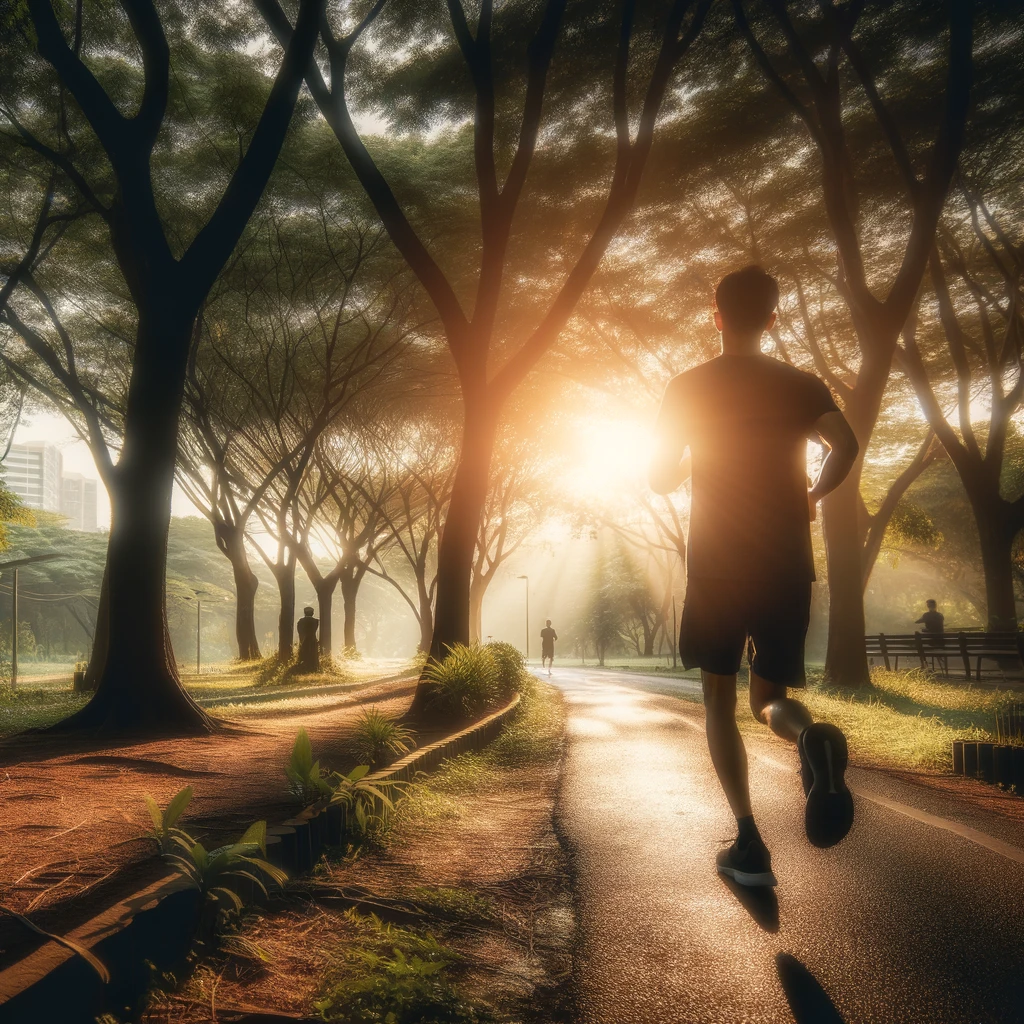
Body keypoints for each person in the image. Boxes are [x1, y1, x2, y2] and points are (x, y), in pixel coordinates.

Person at [649, 265, 860, 888]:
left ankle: (747, 840)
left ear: (716, 316)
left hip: (717, 561)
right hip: (785, 561)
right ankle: (809, 738)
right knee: (769, 699)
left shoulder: (686, 387)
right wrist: (814, 494)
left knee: (718, 696)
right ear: (772, 319)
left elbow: (660, 477)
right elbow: (845, 445)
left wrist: (696, 453)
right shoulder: (802, 385)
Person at [296, 606, 320, 673]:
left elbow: (299, 631)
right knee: (313, 655)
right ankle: (314, 669)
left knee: (304, 655)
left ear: (304, 613)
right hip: (313, 640)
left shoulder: (301, 621)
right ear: (312, 613)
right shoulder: (316, 621)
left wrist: (301, 639)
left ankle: (303, 668)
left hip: (304, 640)